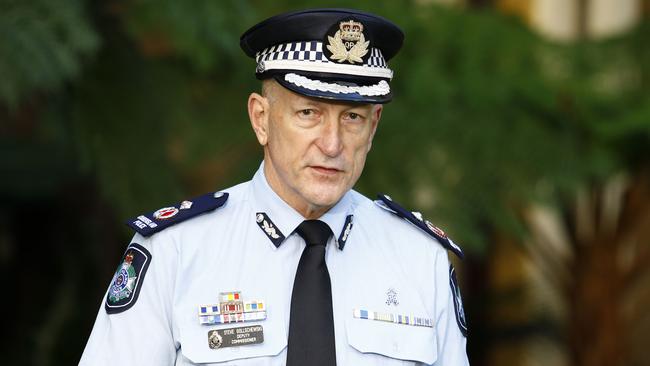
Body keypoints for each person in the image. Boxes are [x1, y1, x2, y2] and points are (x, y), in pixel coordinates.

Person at [80, 8, 469, 366]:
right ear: (261, 118)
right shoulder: (175, 252)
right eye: (308, 113)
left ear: (373, 128)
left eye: (351, 117)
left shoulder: (420, 261)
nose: (332, 144)